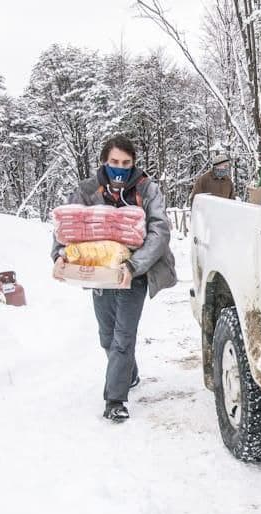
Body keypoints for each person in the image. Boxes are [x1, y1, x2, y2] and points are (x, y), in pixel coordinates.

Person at [51, 135, 177, 423]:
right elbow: (66, 228)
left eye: (126, 163)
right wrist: (59, 255)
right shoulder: (86, 190)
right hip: (100, 272)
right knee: (107, 336)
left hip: (134, 272)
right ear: (104, 162)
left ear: (134, 163)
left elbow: (160, 231)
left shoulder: (147, 189)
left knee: (123, 336)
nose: (120, 168)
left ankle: (115, 399)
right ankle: (128, 374)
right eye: (114, 162)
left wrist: (133, 266)